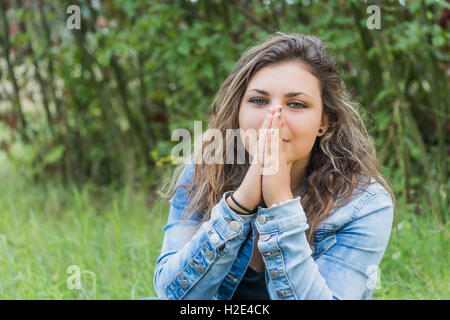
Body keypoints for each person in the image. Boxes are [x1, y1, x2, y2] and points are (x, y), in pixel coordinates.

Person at [149, 32, 396, 300]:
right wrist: (239, 205)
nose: (273, 118)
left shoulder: (363, 203)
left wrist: (280, 204)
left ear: (324, 123)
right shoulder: (206, 170)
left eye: (296, 104)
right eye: (259, 100)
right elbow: (173, 295)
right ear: (239, 111)